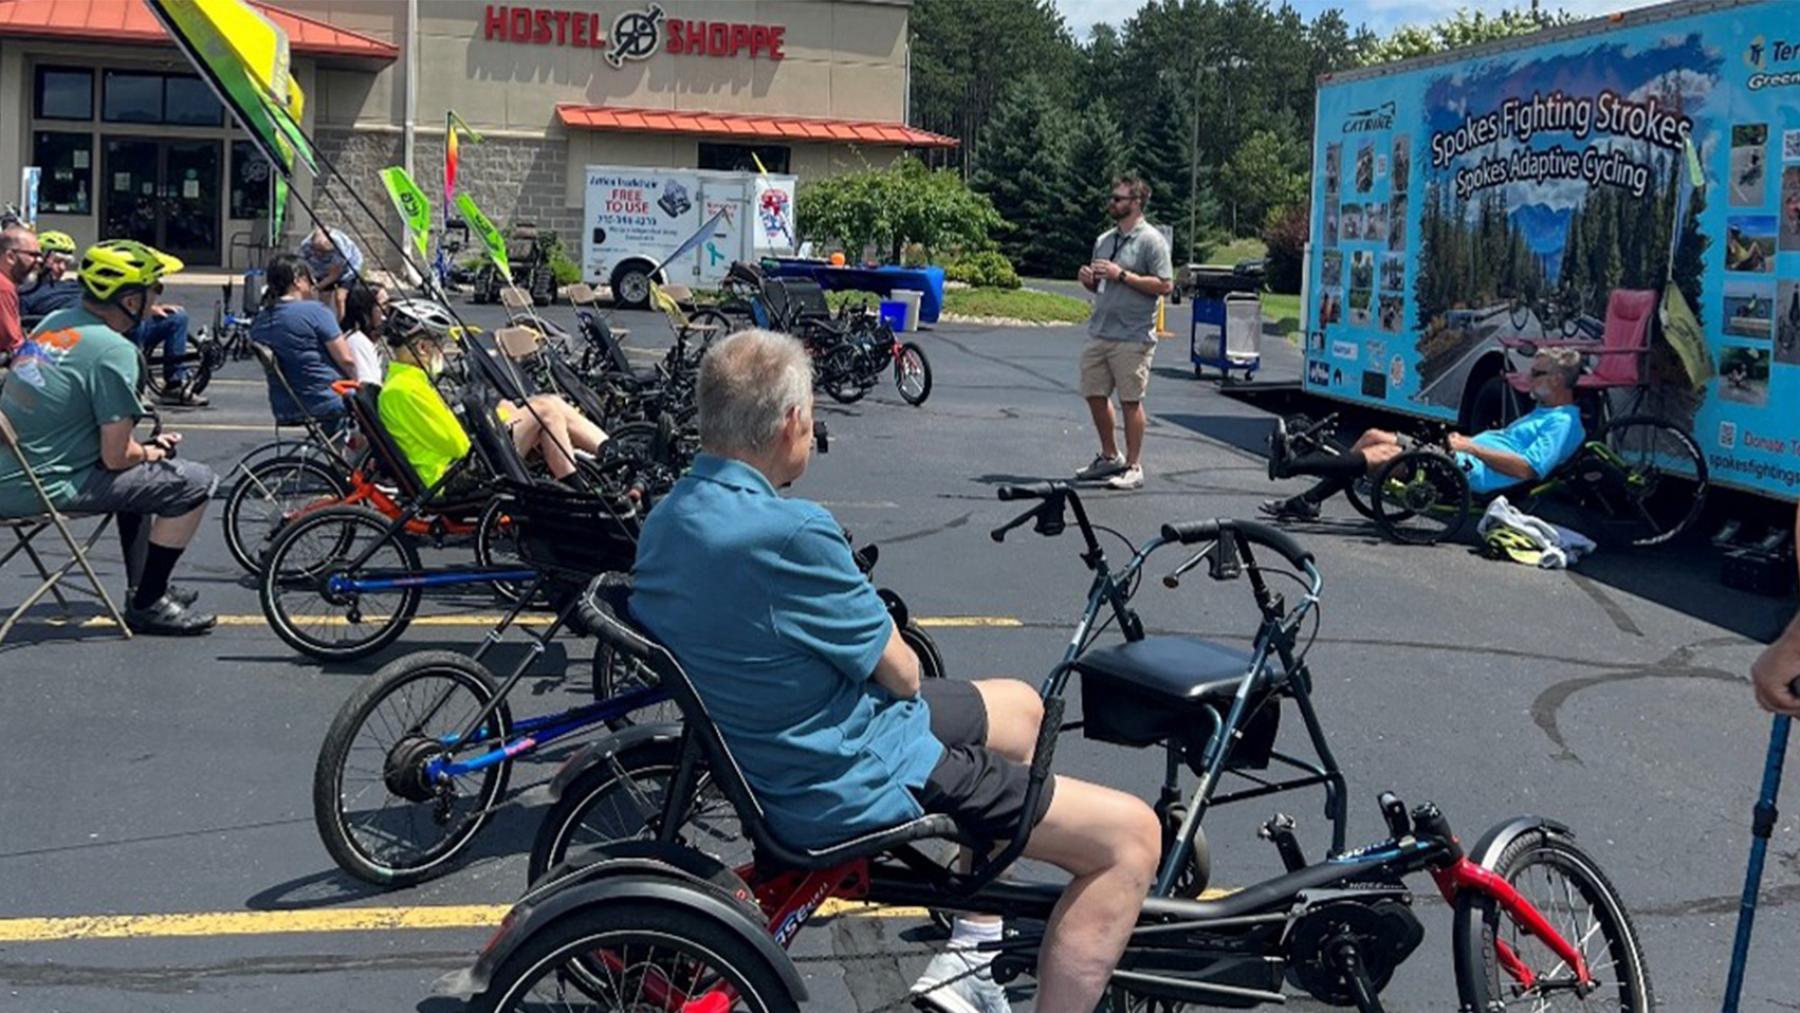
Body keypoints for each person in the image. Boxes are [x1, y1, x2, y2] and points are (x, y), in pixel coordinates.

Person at [631, 329, 1161, 1013]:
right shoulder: (792, 531)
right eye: (812, 414)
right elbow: (904, 675)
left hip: (787, 735)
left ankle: (974, 945)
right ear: (792, 421)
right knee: (1131, 837)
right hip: (850, 768)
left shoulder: (670, 514)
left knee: (1022, 707)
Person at [0, 240, 217, 634]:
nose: (158, 299)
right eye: (156, 289)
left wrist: (143, 455)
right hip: (44, 486)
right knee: (194, 481)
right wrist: (151, 451)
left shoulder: (55, 321)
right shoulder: (114, 351)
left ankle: (146, 587)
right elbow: (117, 457)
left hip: (11, 471)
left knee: (142, 481)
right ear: (131, 301)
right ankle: (149, 603)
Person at [1262, 347, 1587, 521]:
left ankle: (1291, 465)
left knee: (1383, 457)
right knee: (1374, 435)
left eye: (1537, 372)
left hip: (1467, 474)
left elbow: (1529, 468)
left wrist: (1471, 447)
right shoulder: (1546, 412)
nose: (1527, 377)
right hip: (1459, 458)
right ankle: (1308, 501)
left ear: (1558, 380)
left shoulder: (1563, 423)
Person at [378, 300, 609, 491]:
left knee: (548, 402)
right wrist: (493, 421)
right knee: (545, 412)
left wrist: (500, 413)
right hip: (453, 477)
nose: (443, 349)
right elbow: (458, 446)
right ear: (422, 349)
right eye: (439, 343)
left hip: (463, 464)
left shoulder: (409, 382)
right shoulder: (405, 390)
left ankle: (610, 453)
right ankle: (578, 488)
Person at [1074, 175, 1174, 491]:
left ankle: (1133, 465)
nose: (1112, 203)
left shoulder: (1152, 241)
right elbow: (1101, 284)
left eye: (1118, 199)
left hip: (1133, 335)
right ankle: (1109, 456)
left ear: (1136, 203)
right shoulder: (1104, 239)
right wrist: (1088, 279)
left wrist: (1123, 275)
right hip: (1100, 329)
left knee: (1130, 400)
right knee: (1093, 393)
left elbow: (1165, 285)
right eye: (1112, 197)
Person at [251, 254, 358, 429]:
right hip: (327, 399)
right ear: (297, 280)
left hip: (286, 405)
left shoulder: (260, 321)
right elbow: (347, 360)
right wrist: (361, 384)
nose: (314, 285)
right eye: (310, 279)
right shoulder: (316, 312)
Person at [298, 225, 363, 320]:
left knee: (340, 297)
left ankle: (340, 324)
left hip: (347, 269)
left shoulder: (339, 248)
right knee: (323, 297)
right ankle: (323, 320)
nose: (318, 254)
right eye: (316, 250)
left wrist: (317, 286)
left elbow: (335, 274)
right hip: (321, 269)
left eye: (323, 252)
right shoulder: (306, 246)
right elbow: (302, 266)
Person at [18, 230, 81, 318]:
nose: (62, 267)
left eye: (66, 263)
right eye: (57, 261)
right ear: (39, 259)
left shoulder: (74, 286)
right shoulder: (25, 295)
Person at [0, 224, 42, 357]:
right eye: (33, 255)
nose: (39, 261)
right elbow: (12, 344)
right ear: (10, 257)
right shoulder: (3, 288)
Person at [339, 282, 389, 387]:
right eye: (382, 305)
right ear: (365, 310)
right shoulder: (357, 342)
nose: (387, 310)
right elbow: (369, 388)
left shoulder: (374, 338)